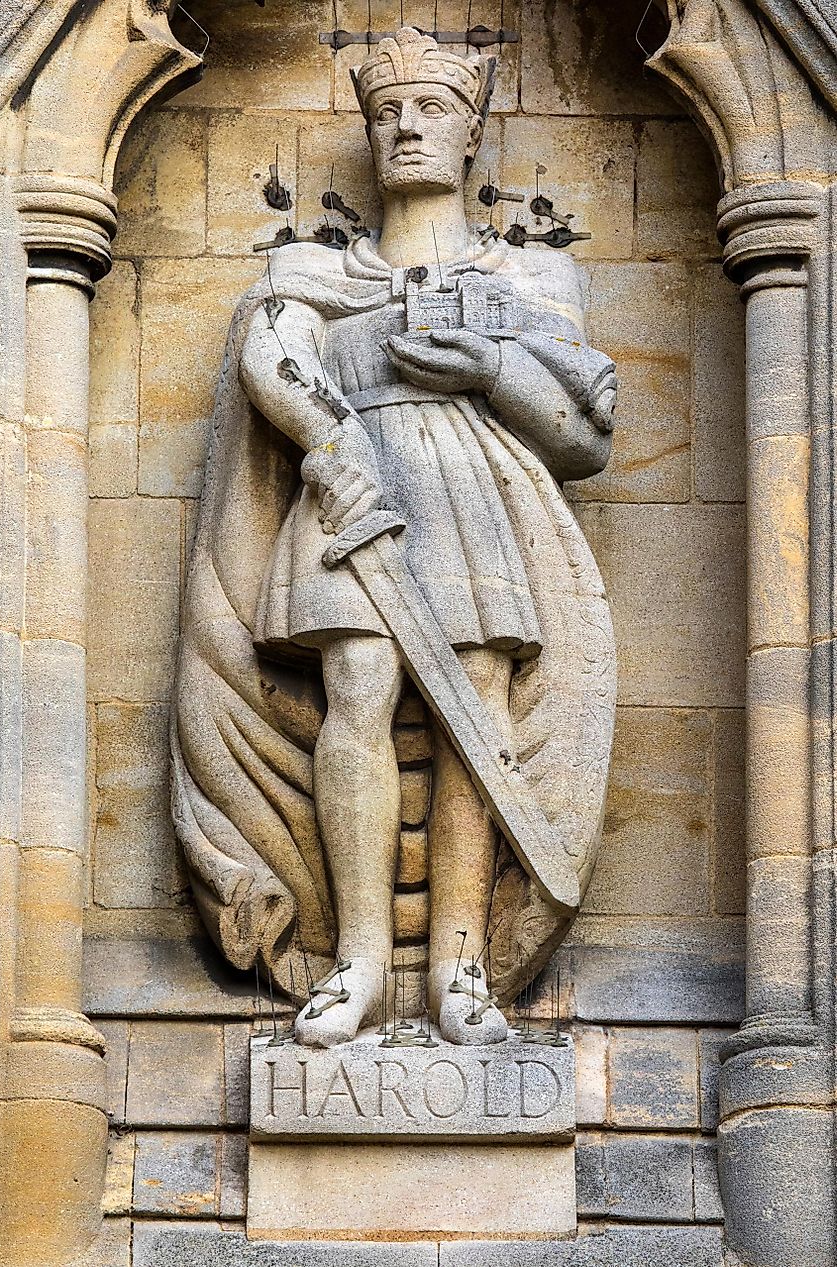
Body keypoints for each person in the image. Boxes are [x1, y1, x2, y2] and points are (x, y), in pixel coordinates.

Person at [172, 27, 617, 1049]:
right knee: (358, 693)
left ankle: (459, 963)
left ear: (471, 136)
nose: (406, 127)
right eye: (386, 113)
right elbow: (269, 356)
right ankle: (362, 959)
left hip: (477, 500)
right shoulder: (314, 268)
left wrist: (486, 371)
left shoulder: (533, 281)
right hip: (352, 496)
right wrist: (329, 441)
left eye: (431, 112)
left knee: (474, 710)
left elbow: (585, 438)